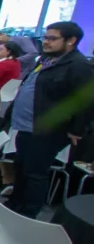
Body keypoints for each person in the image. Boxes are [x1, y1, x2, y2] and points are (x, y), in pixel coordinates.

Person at [7, 22, 92, 218]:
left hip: (48, 129)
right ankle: (13, 207)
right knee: (21, 168)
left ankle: (26, 215)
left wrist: (77, 129)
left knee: (35, 174)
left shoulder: (78, 65)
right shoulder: (46, 59)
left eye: (52, 39)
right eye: (45, 37)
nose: (45, 42)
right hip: (26, 125)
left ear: (71, 41)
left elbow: (86, 101)